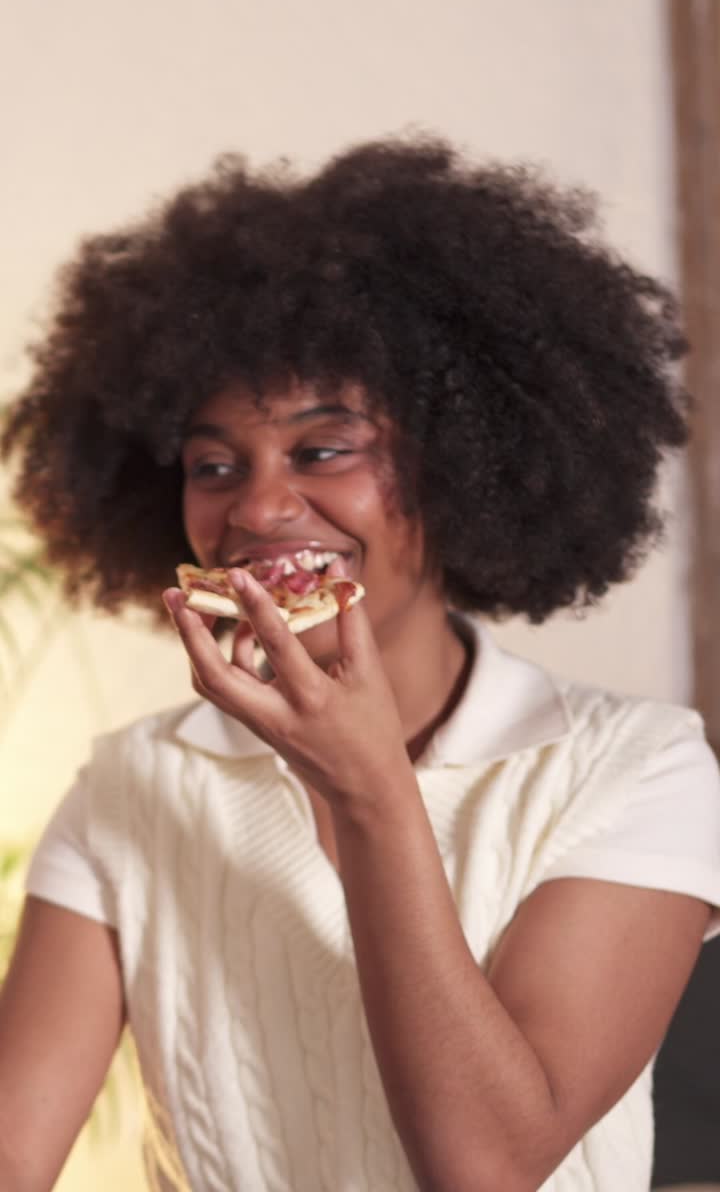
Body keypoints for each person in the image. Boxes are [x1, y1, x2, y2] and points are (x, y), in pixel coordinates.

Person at [1, 136, 719, 1192]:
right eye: (214, 464)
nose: (256, 507)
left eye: (322, 448)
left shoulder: (637, 769)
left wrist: (371, 781)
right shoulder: (134, 783)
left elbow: (484, 1165)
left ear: (465, 460)